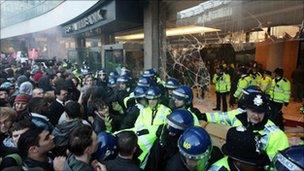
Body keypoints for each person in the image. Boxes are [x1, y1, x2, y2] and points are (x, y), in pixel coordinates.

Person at [203, 86, 289, 160]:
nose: (256, 115)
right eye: (252, 110)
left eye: (260, 112)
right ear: (246, 108)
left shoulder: (277, 136)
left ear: (266, 112)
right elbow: (221, 116)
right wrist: (202, 116)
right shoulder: (238, 116)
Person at [131, 86, 171, 166]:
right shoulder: (144, 111)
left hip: (156, 145)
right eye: (149, 99)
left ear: (159, 99)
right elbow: (138, 125)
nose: (151, 102)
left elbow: (165, 129)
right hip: (143, 140)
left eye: (154, 99)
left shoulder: (166, 111)